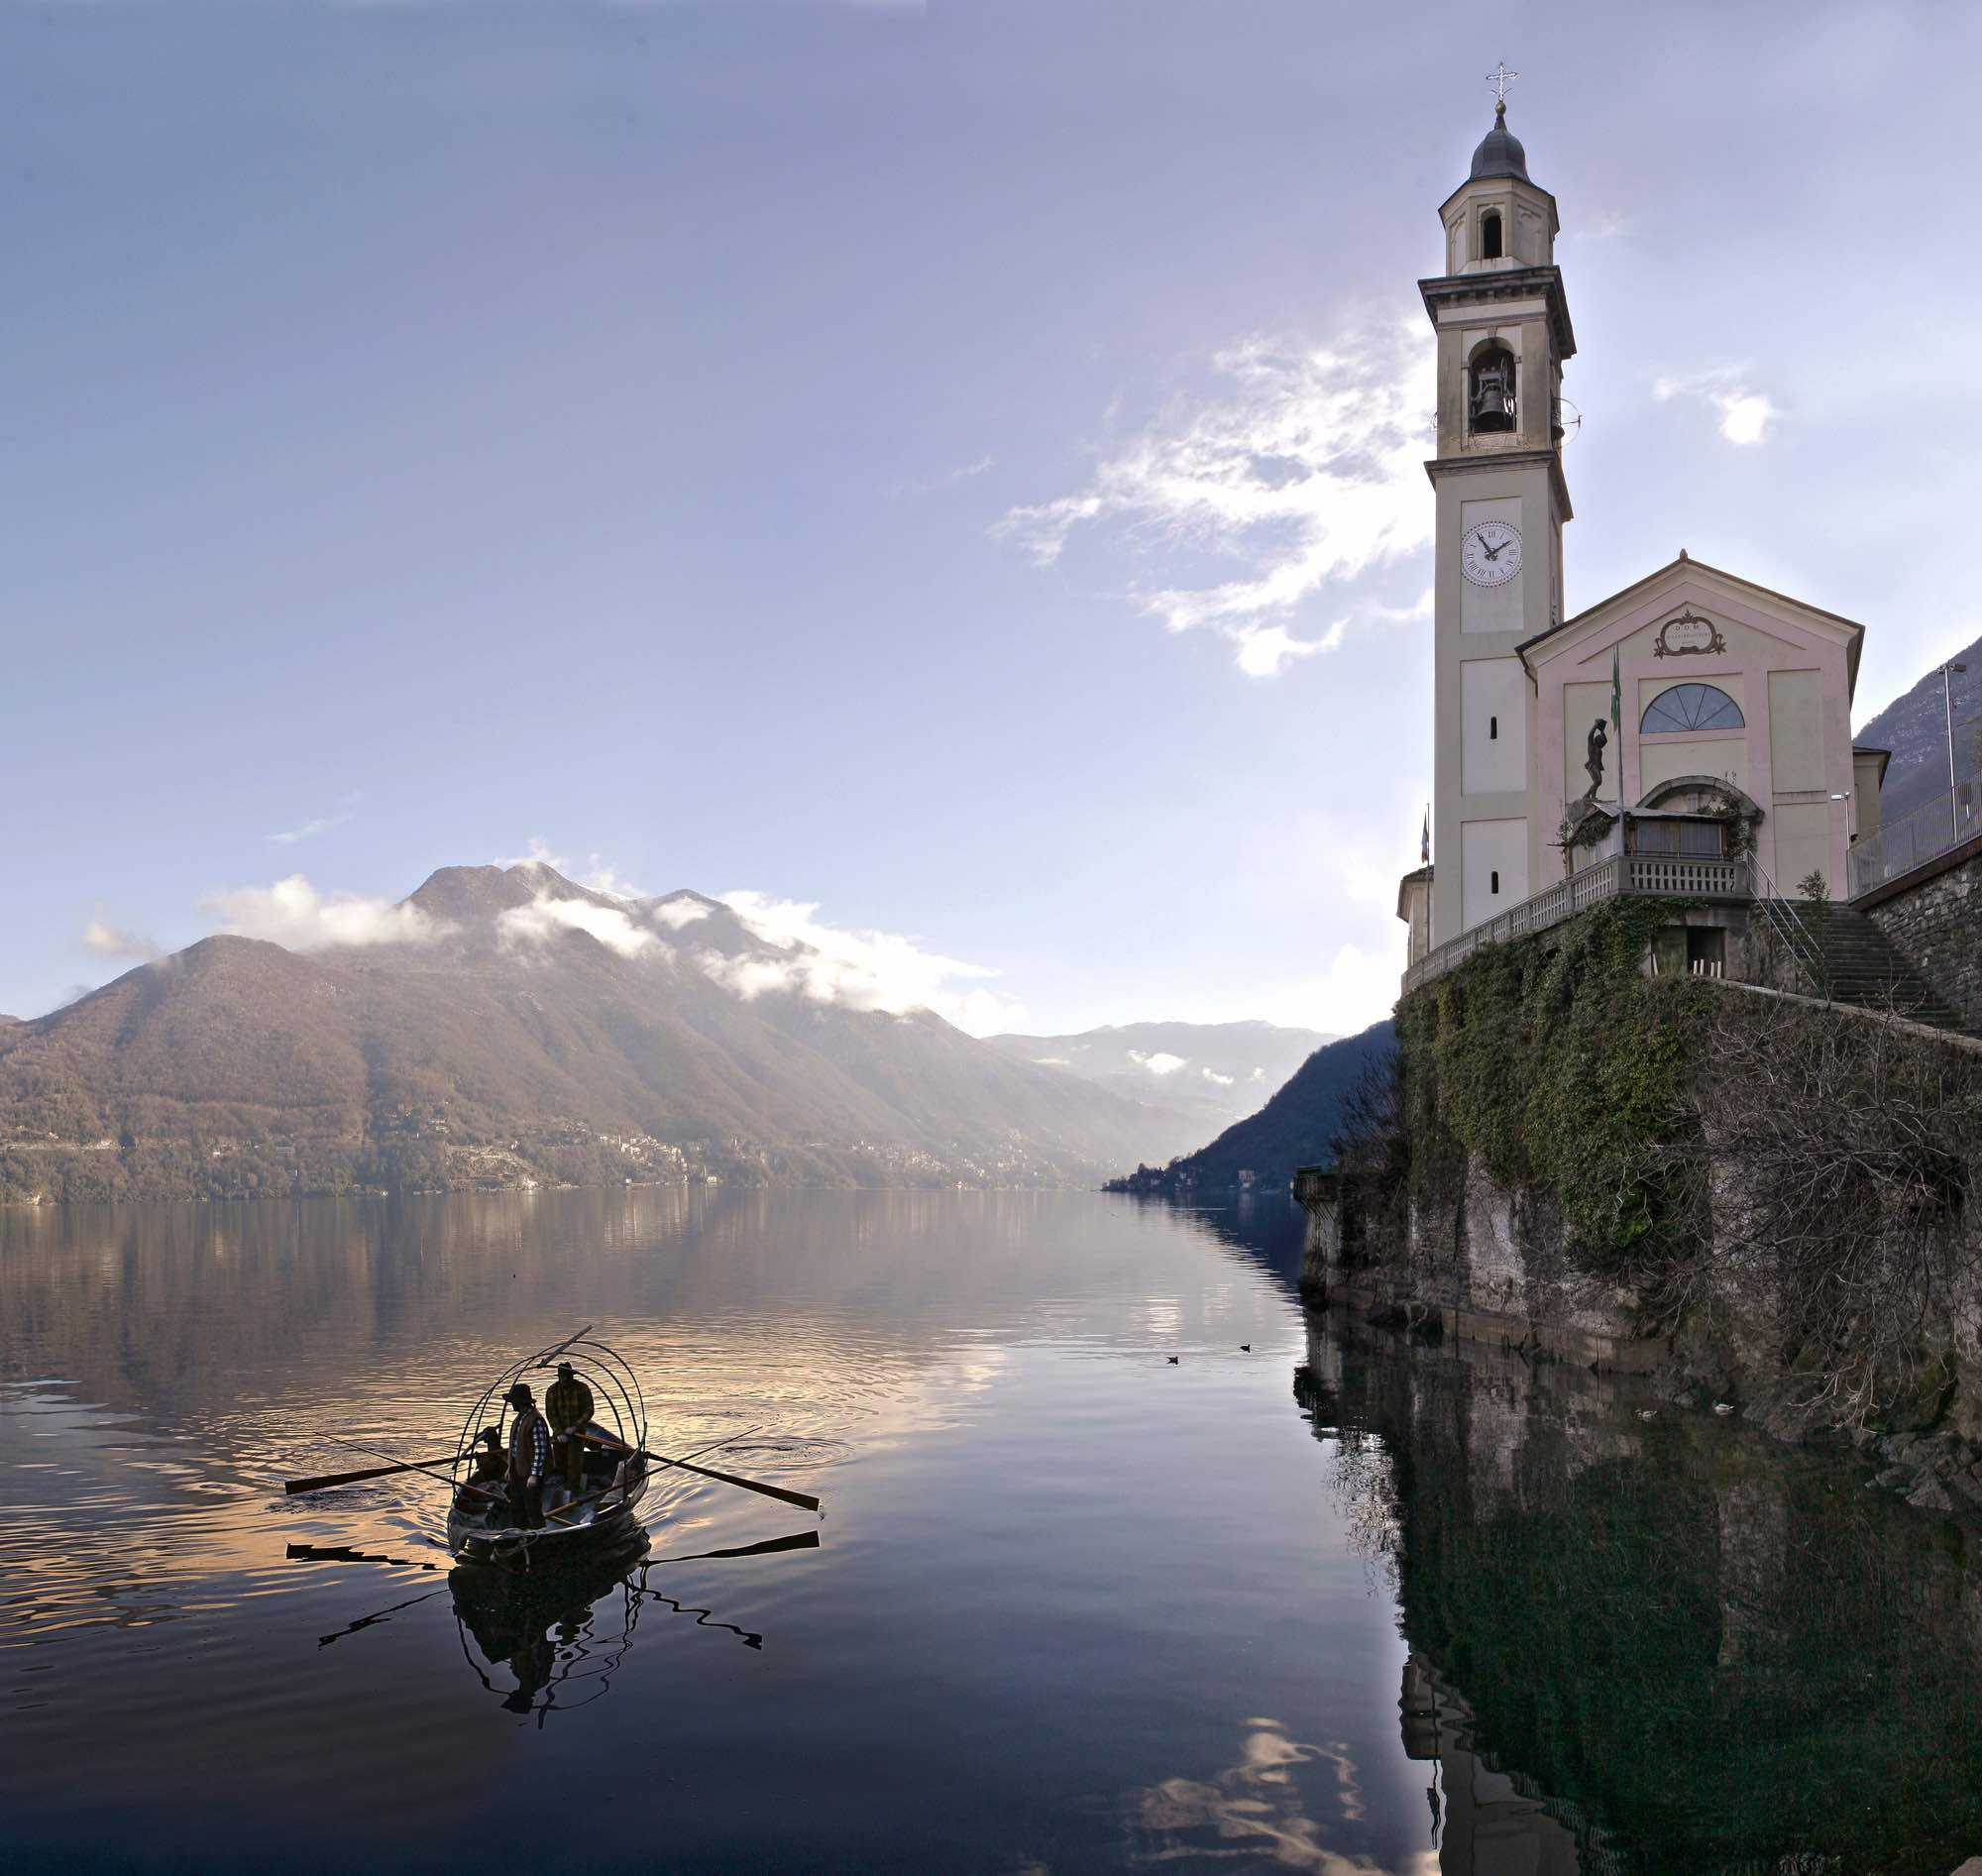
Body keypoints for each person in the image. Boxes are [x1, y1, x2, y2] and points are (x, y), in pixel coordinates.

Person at [503, 1382, 551, 1530]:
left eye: (514, 1402)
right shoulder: (520, 1419)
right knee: (517, 1506)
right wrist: (509, 1468)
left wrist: (534, 1475)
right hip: (518, 1470)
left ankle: (539, 1533)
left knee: (533, 1508)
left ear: (520, 1402)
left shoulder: (535, 1420)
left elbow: (540, 1450)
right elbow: (515, 1447)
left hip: (530, 1473)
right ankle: (519, 1533)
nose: (512, 1405)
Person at [545, 1361, 596, 1490]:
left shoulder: (582, 1388)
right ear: (559, 1377)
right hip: (559, 1434)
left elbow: (588, 1410)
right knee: (559, 1462)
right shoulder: (552, 1391)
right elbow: (551, 1414)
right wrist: (559, 1431)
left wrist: (575, 1427)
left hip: (577, 1433)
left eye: (567, 1377)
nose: (565, 1380)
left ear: (572, 1376)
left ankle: (572, 1490)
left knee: (574, 1464)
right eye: (562, 1377)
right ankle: (560, 1488)